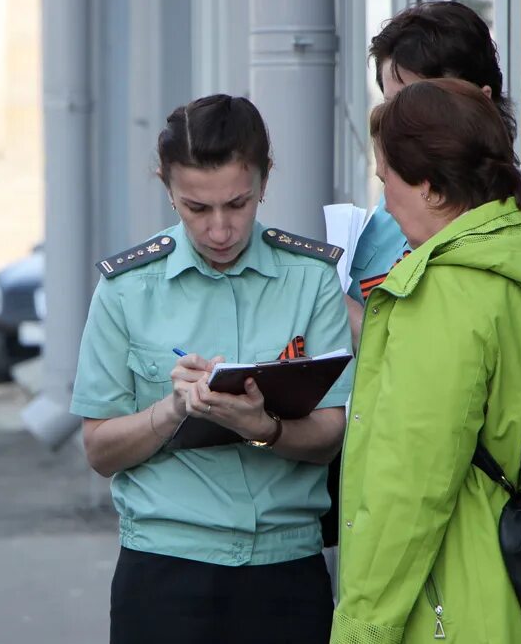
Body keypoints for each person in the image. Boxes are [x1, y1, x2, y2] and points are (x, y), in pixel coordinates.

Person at [331, 78, 521, 643]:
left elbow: (408, 490)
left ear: (432, 188)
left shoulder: (444, 293)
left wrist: (361, 629)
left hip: (466, 603)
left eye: (386, 179)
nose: (384, 200)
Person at [72, 94, 353, 643]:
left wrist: (264, 429)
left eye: (238, 204)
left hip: (287, 568)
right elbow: (99, 450)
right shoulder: (127, 288)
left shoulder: (311, 278)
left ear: (264, 181)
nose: (220, 230)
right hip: (165, 571)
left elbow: (332, 435)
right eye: (196, 209)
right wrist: (172, 410)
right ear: (167, 189)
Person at [347, 1, 521, 347]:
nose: (399, 127)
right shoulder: (393, 202)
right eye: (392, 107)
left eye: (421, 107)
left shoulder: (511, 216)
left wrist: (345, 316)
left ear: (480, 105)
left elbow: (449, 353)